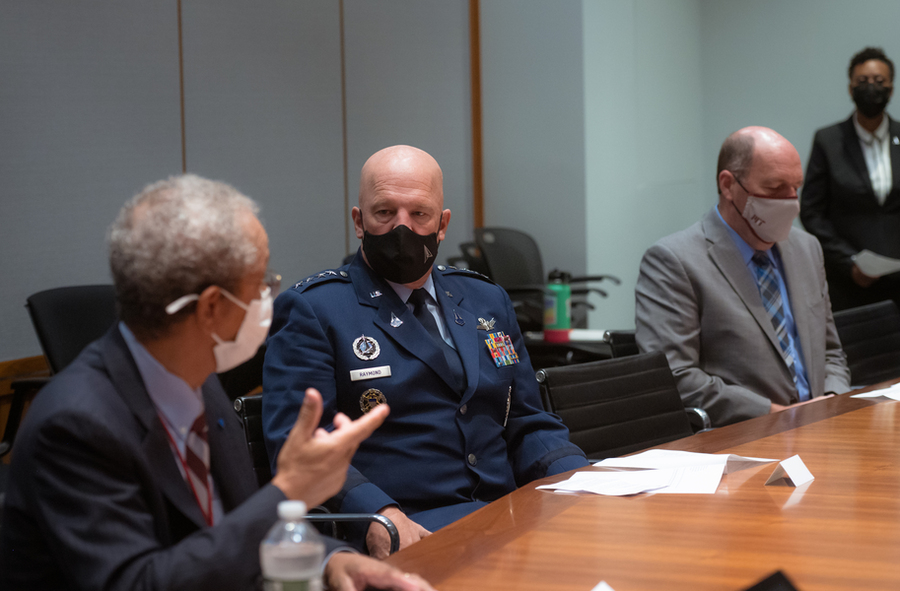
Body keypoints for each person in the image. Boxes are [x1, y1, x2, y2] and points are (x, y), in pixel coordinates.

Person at [0, 175, 434, 591]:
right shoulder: (75, 426)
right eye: (262, 283)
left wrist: (331, 560)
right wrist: (290, 490)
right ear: (211, 307)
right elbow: (140, 582)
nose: (271, 295)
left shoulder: (199, 383)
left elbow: (234, 530)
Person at [263, 145, 588, 558]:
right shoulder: (315, 308)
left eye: (419, 213)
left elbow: (526, 420)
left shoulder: (485, 299)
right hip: (410, 526)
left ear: (442, 224)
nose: (403, 227)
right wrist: (377, 513)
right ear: (359, 222)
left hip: (508, 517)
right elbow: (301, 445)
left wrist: (581, 479)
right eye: (385, 212)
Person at [635, 127, 851, 427]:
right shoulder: (674, 260)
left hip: (823, 426)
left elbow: (830, 352)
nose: (791, 201)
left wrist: (833, 398)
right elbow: (675, 376)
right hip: (746, 435)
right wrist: (779, 416)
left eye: (795, 187)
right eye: (775, 188)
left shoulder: (807, 248)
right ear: (728, 185)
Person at [801, 47, 900, 311]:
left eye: (879, 81)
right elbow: (811, 211)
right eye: (863, 81)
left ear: (891, 89)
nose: (871, 87)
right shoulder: (829, 141)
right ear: (850, 88)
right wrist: (849, 261)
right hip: (849, 282)